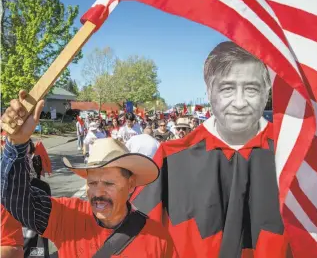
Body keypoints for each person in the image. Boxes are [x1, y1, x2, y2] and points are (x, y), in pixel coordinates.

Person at [131, 41, 290, 257]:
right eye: (227, 89)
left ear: (267, 91)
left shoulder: (297, 158)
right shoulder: (171, 161)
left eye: (251, 88)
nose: (240, 102)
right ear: (208, 92)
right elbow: (138, 242)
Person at [0, 93, 178, 257]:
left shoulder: (158, 239)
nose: (98, 193)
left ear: (131, 185)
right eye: (92, 183)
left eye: (109, 184)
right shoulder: (67, 216)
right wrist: (17, 144)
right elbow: (15, 200)